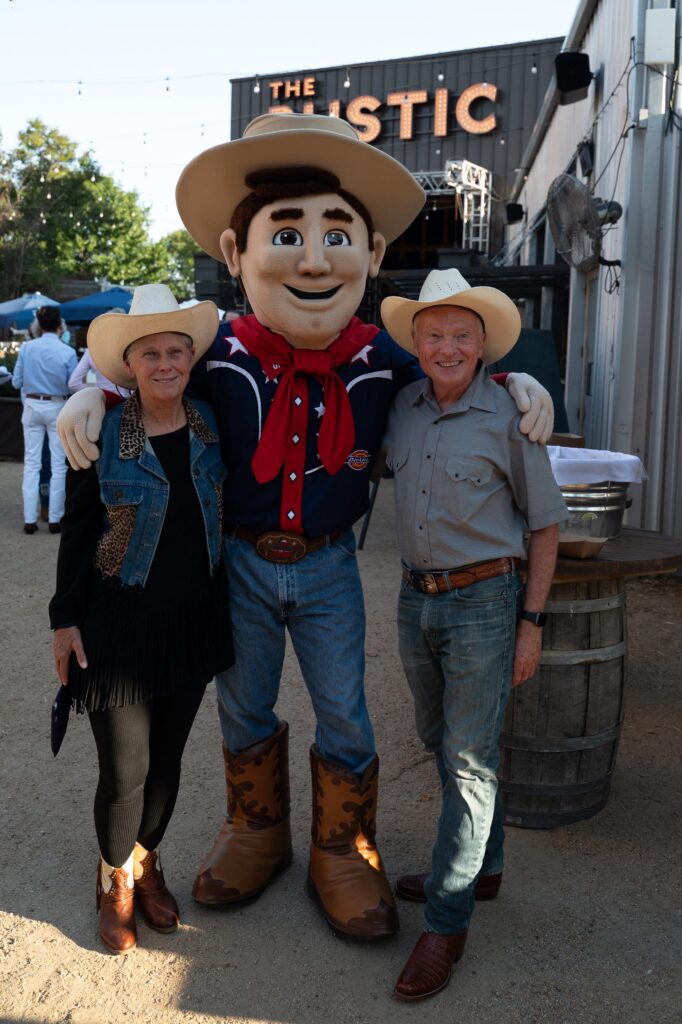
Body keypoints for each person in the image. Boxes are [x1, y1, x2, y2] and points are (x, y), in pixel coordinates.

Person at [56, 113, 554, 942]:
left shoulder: (381, 355)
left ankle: (342, 846)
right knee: (242, 703)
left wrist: (515, 382)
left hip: (327, 566)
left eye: (337, 235)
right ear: (234, 252)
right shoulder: (221, 354)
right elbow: (155, 379)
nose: (316, 258)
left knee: (345, 711)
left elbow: (451, 358)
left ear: (373, 254)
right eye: (287, 234)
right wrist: (93, 393)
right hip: (242, 564)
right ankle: (256, 831)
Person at [380, 269, 567, 1001]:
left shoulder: (511, 415)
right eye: (435, 335)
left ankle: (446, 920)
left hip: (488, 602)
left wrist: (531, 623)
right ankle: (481, 868)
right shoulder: (400, 408)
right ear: (417, 344)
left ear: (483, 344)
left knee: (468, 760)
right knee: (440, 741)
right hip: (413, 600)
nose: (448, 346)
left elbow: (546, 525)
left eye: (462, 335)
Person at [49, 284, 233, 955]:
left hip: (194, 620)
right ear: (127, 365)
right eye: (149, 352)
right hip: (117, 626)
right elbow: (76, 530)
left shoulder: (214, 424)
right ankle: (113, 880)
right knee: (125, 770)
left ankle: (147, 863)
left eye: (175, 351)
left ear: (191, 359)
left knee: (167, 763)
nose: (163, 364)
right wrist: (64, 620)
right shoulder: (101, 433)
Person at [11, 305, 77, 534]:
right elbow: (73, 384)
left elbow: (16, 382)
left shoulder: (27, 348)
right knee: (59, 464)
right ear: (60, 325)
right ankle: (54, 519)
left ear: (37, 326)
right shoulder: (66, 351)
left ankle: (30, 519)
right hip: (57, 405)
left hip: (31, 404)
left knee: (31, 463)